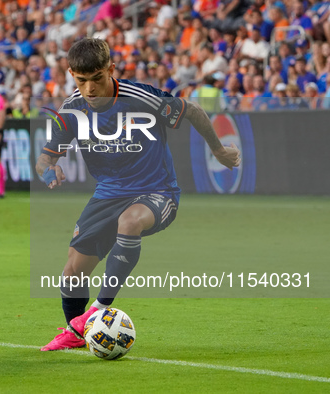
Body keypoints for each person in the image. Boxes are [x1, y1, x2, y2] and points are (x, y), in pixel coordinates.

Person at [36, 38, 241, 352]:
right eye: (81, 81)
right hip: (107, 196)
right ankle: (76, 333)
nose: (89, 89)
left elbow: (192, 110)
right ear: (71, 75)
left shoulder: (141, 98)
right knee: (71, 273)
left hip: (158, 192)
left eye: (97, 79)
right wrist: (49, 169)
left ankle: (97, 311)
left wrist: (218, 150)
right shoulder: (72, 109)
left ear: (111, 70)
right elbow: (44, 159)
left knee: (130, 222)